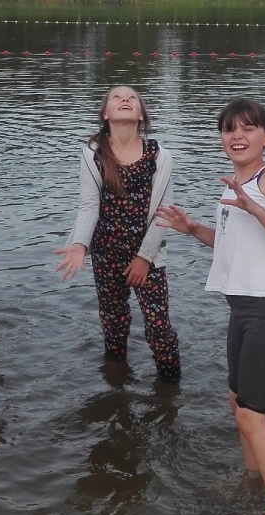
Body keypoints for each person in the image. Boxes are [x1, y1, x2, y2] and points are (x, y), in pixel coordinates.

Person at [156, 98, 265, 513]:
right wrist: (192, 228)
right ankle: (252, 478)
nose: (237, 136)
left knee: (251, 416)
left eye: (248, 128)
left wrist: (253, 206)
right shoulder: (231, 186)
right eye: (229, 129)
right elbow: (229, 244)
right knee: (238, 404)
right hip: (242, 310)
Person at [54, 86, 181, 384]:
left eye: (132, 97)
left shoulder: (160, 156)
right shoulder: (92, 154)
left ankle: (170, 389)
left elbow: (164, 213)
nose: (125, 99)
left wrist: (144, 258)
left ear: (141, 115)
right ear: (105, 114)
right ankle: (115, 386)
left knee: (159, 329)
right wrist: (79, 245)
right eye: (117, 97)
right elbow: (89, 206)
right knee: (113, 326)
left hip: (148, 258)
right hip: (106, 255)